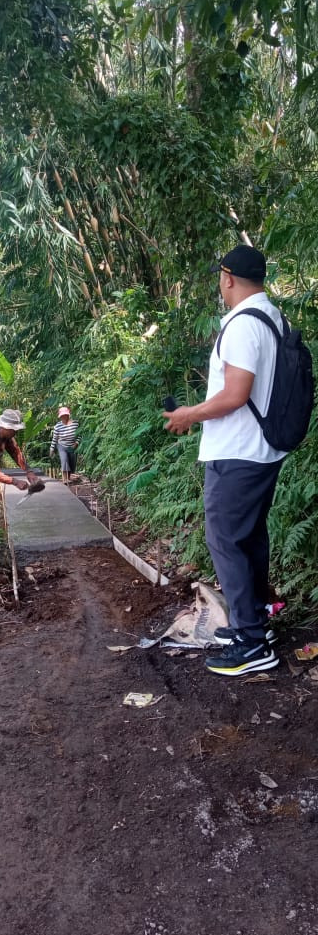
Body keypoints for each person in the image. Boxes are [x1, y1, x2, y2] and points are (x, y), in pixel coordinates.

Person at [164, 244, 287, 677]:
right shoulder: (273, 318)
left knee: (226, 541)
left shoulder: (242, 324)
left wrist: (188, 415)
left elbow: (235, 394)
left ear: (228, 277)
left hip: (237, 452)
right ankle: (255, 621)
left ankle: (252, 642)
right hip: (260, 450)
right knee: (249, 538)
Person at [49, 406, 80, 485]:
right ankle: (64, 479)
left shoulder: (75, 424)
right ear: (60, 416)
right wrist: (52, 449)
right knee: (64, 460)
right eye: (62, 416)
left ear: (68, 415)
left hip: (72, 446)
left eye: (65, 415)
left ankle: (68, 478)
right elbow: (55, 438)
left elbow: (79, 435)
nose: (64, 417)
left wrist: (76, 443)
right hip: (61, 445)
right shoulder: (58, 426)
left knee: (71, 462)